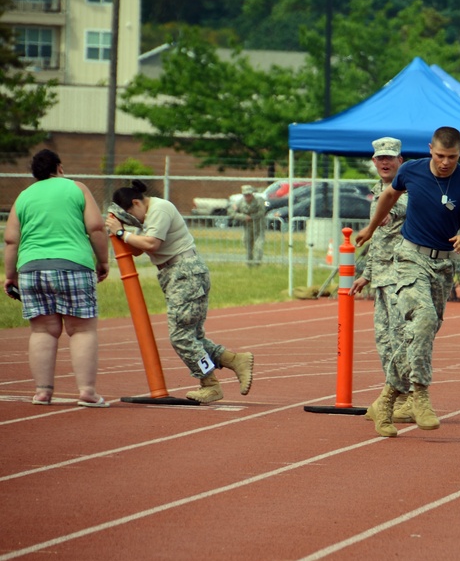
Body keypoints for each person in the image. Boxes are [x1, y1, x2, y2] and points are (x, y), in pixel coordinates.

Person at [355, 126, 460, 437]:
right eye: (440, 156)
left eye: (451, 157)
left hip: (443, 265)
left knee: (420, 333)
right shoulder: (411, 171)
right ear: (430, 149)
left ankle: (386, 400)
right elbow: (388, 195)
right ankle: (421, 395)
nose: (444, 162)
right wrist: (371, 228)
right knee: (424, 319)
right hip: (410, 258)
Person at [104, 180, 254, 404]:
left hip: (185, 273)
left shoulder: (159, 209)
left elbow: (151, 244)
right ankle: (234, 360)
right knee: (192, 337)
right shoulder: (148, 214)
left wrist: (122, 234)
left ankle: (210, 384)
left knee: (180, 337)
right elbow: (137, 249)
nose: (134, 221)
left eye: (130, 215)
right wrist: (121, 232)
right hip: (179, 274)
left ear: (136, 202)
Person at [3, 149, 110, 407]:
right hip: (74, 265)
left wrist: (10, 275)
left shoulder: (24, 196)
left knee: (42, 330)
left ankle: (42, 391)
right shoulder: (77, 188)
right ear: (59, 168)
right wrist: (103, 260)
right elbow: (96, 227)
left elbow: (11, 239)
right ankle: (87, 391)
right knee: (81, 330)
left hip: (31, 268)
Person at [349, 137, 413, 424]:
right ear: (374, 162)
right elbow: (377, 241)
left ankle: (411, 396)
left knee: (402, 338)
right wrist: (366, 274)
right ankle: (395, 395)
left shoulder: (407, 188)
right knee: (384, 341)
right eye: (380, 158)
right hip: (383, 278)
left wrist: (383, 216)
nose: (385, 162)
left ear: (401, 160)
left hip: (403, 276)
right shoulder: (378, 191)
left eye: (390, 157)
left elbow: (397, 210)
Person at [230, 184, 266, 266]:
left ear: (252, 194)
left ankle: (257, 263)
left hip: (258, 226)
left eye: (249, 194)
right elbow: (232, 213)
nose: (247, 196)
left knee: (259, 246)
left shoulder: (259, 200)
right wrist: (243, 217)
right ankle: (249, 263)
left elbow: (262, 212)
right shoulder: (240, 202)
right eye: (245, 195)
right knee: (247, 245)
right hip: (247, 227)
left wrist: (252, 217)